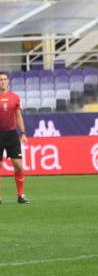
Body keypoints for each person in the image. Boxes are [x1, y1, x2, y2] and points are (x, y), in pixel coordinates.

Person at [0, 71, 29, 204]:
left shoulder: (15, 97)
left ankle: (20, 195)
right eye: (0, 79)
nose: (2, 82)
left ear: (8, 81)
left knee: (18, 165)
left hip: (12, 134)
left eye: (4, 79)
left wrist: (22, 132)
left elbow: (18, 116)